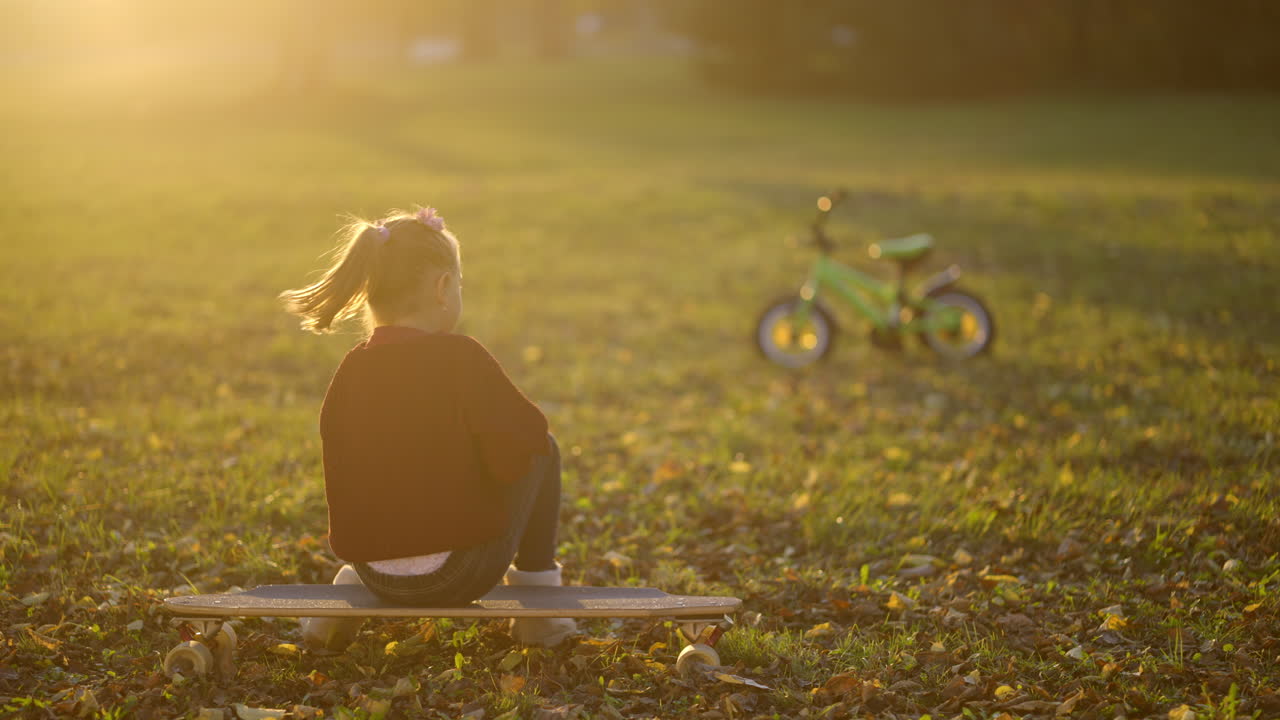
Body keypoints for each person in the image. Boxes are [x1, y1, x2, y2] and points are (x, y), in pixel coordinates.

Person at [278, 206, 575, 650]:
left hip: (374, 572)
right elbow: (525, 442)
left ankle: (348, 586)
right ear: (443, 288)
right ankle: (540, 607)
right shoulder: (461, 358)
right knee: (542, 447)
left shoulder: (351, 371)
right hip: (460, 573)